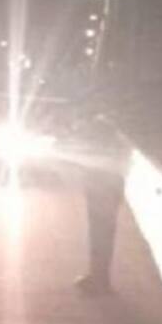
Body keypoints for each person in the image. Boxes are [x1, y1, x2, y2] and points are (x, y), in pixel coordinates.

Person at [68, 107, 125, 295]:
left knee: (100, 235)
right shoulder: (115, 140)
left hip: (103, 190)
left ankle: (99, 279)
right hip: (107, 189)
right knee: (102, 235)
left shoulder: (102, 140)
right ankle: (99, 276)